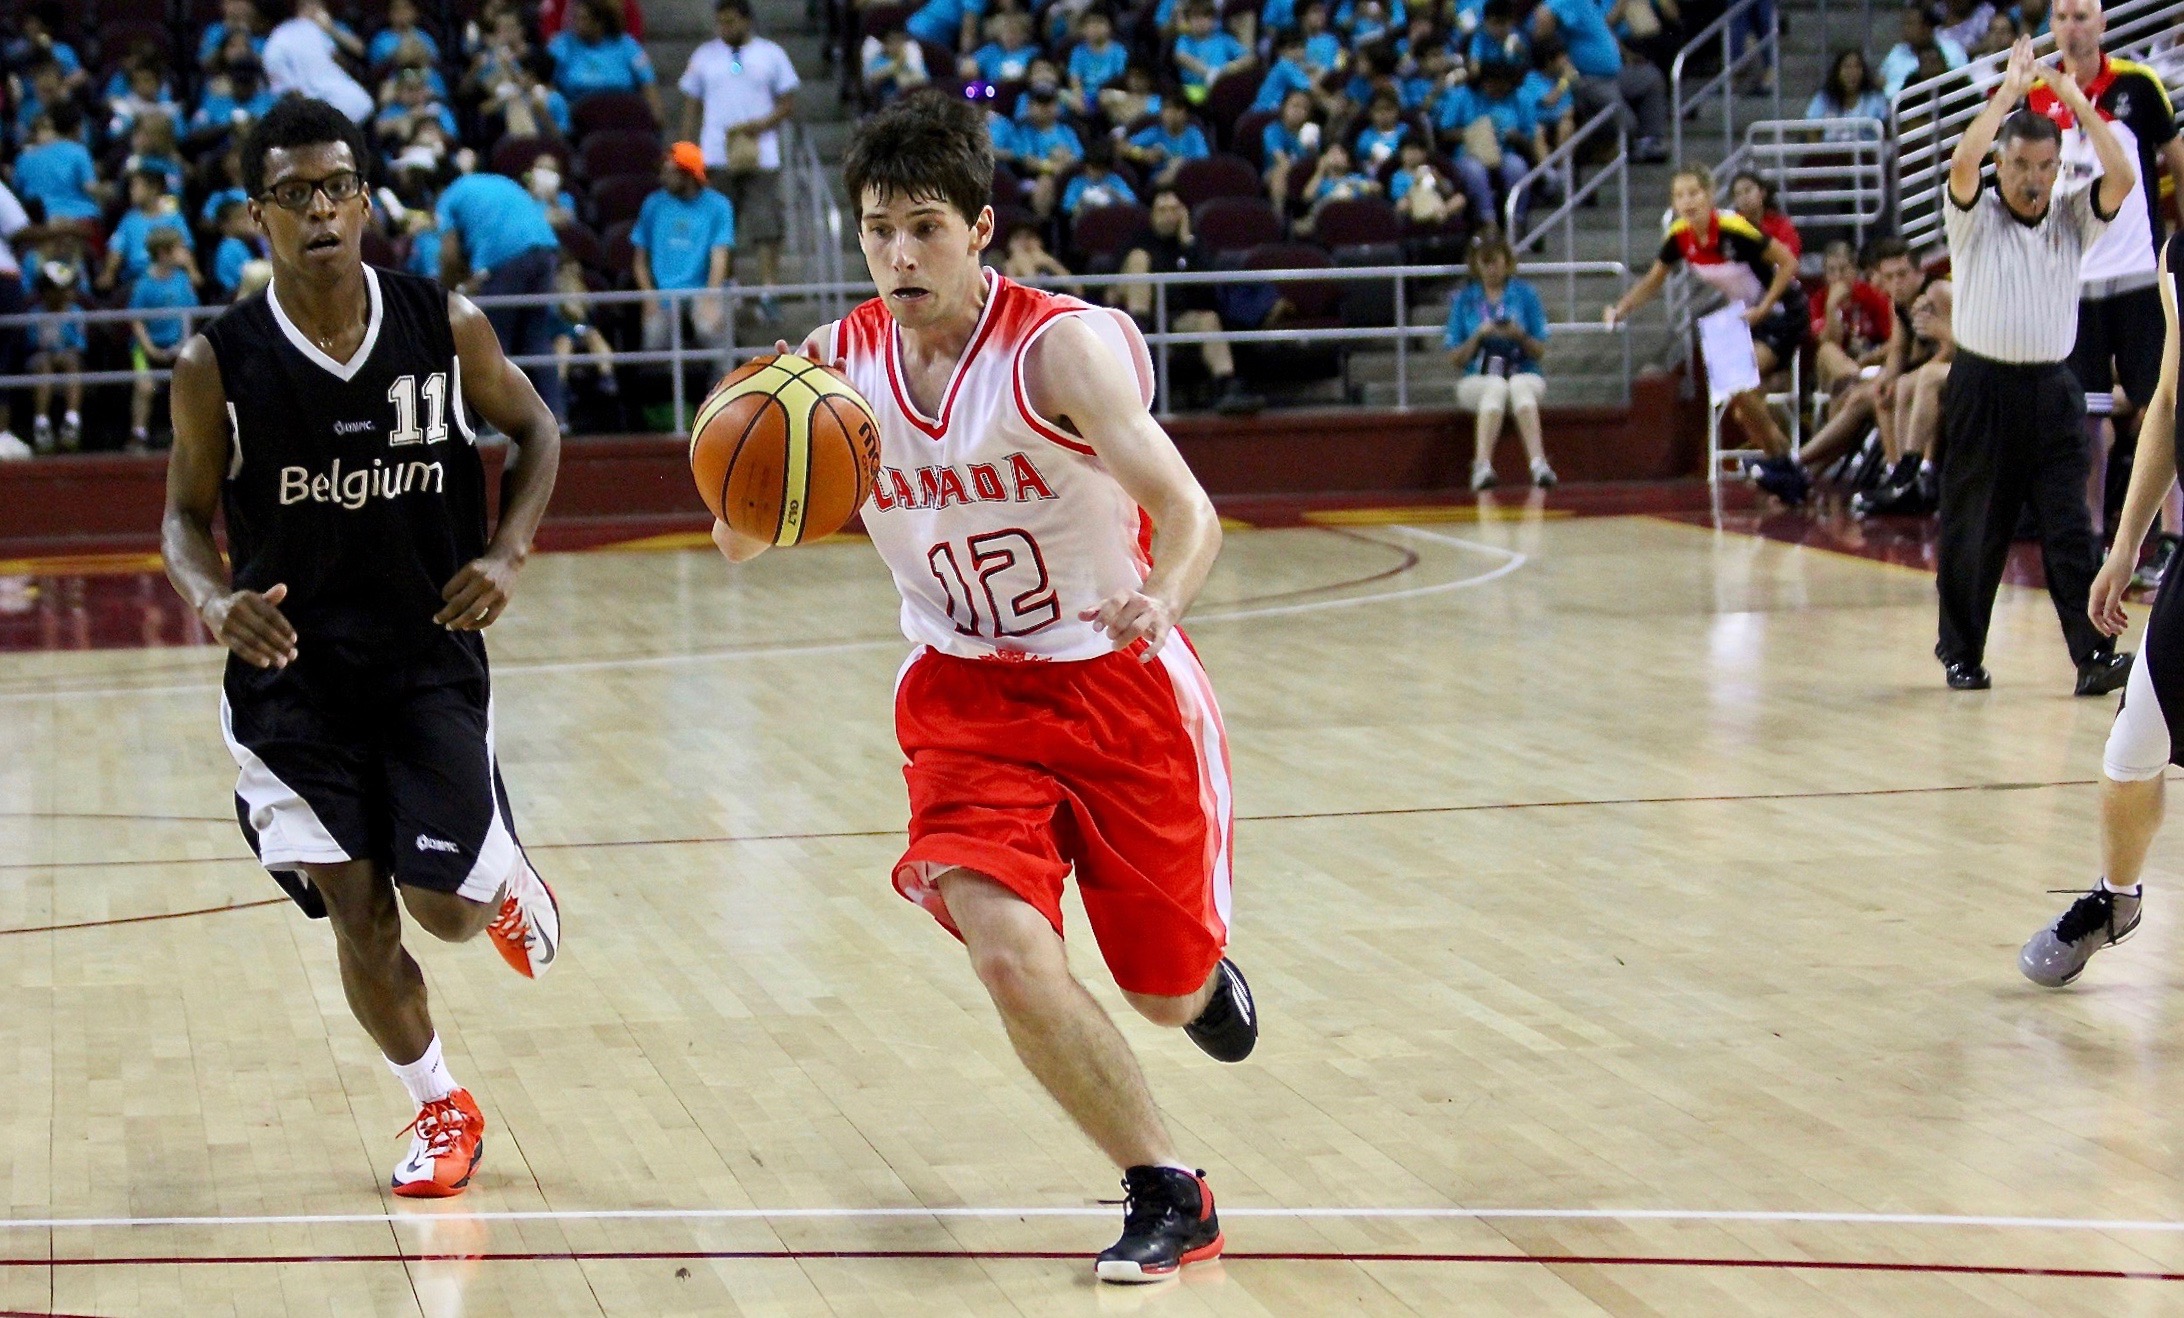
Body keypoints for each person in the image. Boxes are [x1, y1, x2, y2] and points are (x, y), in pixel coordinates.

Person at [719, 90, 1258, 1281]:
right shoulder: (833, 371)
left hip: (1114, 683)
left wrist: (1162, 595)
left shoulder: (1056, 349)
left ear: (979, 228)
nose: (899, 256)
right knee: (1006, 948)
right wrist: (752, 471)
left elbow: (1188, 510)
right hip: (962, 697)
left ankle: (1200, 976)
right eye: (877, 232)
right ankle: (1170, 1187)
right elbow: (740, 543)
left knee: (1163, 996)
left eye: (924, 228)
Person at [158, 97, 564, 1199]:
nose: (320, 209)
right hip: (291, 680)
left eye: (337, 186)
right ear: (257, 215)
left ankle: (499, 860)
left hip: (427, 653)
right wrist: (208, 599)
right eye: (293, 194)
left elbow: (536, 432)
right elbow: (183, 518)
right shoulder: (217, 361)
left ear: (365, 197)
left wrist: (510, 552)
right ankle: (441, 1104)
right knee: (358, 905)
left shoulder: (445, 323)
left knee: (449, 910)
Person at [1933, 37, 2134, 694]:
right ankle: (1962, 653)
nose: (2032, 178)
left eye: (2045, 166)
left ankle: (2094, 656)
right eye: (2020, 164)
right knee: (1975, 528)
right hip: (1981, 387)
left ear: (2056, 168)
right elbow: (1962, 160)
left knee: (2070, 527)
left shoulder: (2072, 217)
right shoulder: (1974, 214)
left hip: (2052, 389)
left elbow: (2124, 177)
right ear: (2002, 162)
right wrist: (2011, 94)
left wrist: (2074, 96)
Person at [2017, 231, 2180, 985]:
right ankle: (2116, 900)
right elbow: (2169, 408)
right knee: (2129, 753)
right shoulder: (2177, 259)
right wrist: (2122, 548)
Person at [2029, 0, 2184, 556]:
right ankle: (2094, 533)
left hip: (2141, 268)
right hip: (2075, 279)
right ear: (2052, 27)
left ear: (2103, 24)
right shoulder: (2035, 94)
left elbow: (2176, 159)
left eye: (2083, 16)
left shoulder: (2139, 86)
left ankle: (2171, 534)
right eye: (2063, 17)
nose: (2073, 28)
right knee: (2088, 418)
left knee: (2162, 403)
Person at [1605, 164, 1808, 502]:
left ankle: (1783, 462)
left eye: (1694, 193)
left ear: (1710, 195)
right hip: (1746, 317)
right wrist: (1621, 308)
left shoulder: (1734, 227)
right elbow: (1654, 280)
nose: (1688, 201)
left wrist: (1764, 306)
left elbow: (1787, 262)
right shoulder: (1679, 236)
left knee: (1742, 384)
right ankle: (1784, 464)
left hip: (1782, 311)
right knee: (1743, 408)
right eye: (1680, 195)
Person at [678, 0, 800, 322]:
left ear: (747, 20)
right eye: (721, 22)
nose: (725, 28)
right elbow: (691, 104)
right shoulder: (704, 56)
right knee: (722, 225)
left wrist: (759, 125)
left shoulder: (771, 53)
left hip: (760, 153)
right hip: (716, 153)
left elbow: (787, 103)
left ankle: (768, 289)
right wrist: (686, 145)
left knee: (766, 223)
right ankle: (726, 289)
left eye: (731, 22)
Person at [436, 166, 567, 425]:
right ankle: (555, 417)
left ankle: (500, 423)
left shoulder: (448, 196)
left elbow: (449, 256)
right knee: (537, 338)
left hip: (506, 255)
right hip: (546, 250)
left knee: (493, 340)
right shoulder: (498, 180)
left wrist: (444, 293)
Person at [1118, 189, 1263, 413]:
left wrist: (1188, 241)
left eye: (1174, 210)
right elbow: (1115, 289)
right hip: (1145, 322)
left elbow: (1207, 287)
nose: (1168, 215)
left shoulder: (1192, 245)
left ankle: (1226, 388)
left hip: (1177, 318)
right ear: (1152, 215)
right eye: (1162, 210)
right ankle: (1141, 337)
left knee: (1209, 320)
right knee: (1138, 260)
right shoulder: (1140, 241)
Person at [1447, 237, 1555, 490]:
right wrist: (1478, 336)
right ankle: (1482, 467)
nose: (1490, 269)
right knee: (1495, 386)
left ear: (1506, 263)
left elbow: (1539, 351)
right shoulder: (1465, 300)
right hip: (1478, 376)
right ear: (1476, 265)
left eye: (1495, 262)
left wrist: (1519, 336)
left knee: (1517, 385)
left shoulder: (1525, 294)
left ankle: (1539, 465)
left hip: (1524, 371)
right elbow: (1455, 358)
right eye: (1484, 263)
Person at [633, 141, 738, 353]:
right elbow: (639, 261)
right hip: (663, 294)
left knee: (711, 328)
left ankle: (723, 384)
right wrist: (648, 296)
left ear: (688, 176)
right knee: (654, 338)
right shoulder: (653, 204)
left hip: (702, 290)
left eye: (669, 172)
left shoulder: (719, 206)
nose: (662, 177)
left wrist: (711, 297)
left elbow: (720, 257)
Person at [1531, 0, 1669, 161]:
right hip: (1589, 79)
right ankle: (1600, 153)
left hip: (1614, 74)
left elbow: (1601, 30)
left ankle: (1648, 142)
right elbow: (1544, 15)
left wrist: (1624, 53)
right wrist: (1555, 55)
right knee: (1626, 123)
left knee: (1650, 78)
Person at [128, 228, 199, 451]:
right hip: (146, 347)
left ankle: (184, 435)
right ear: (163, 253)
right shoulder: (144, 284)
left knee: (188, 385)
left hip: (178, 345)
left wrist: (183, 345)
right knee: (145, 387)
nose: (185, 252)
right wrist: (150, 349)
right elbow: (136, 320)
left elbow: (190, 315)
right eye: (180, 249)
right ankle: (138, 435)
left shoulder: (182, 280)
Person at [547, 0, 661, 120]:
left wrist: (655, 118)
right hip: (577, 123)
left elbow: (648, 84)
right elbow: (546, 84)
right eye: (575, 17)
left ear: (600, 22)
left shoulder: (628, 46)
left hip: (623, 121)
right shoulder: (560, 45)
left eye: (583, 19)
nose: (576, 24)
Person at [265, 0, 376, 122]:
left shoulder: (327, 29)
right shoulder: (283, 34)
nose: (313, 9)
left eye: (317, 4)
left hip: (351, 103)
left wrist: (331, 29)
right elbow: (283, 84)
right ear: (299, 8)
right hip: (315, 109)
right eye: (308, 4)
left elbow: (358, 51)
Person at [1880, 2, 1968, 97]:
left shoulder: (1951, 50)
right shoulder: (1897, 51)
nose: (1905, 29)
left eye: (1910, 24)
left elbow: (1961, 83)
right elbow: (1881, 80)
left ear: (1927, 28)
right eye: (1904, 24)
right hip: (1893, 107)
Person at [1124, 99, 1210, 187]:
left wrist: (1181, 163)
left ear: (1185, 113)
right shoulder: (1155, 132)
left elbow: (1204, 161)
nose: (1172, 114)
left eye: (1177, 109)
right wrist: (1143, 154)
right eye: (1167, 109)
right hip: (1159, 184)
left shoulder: (1194, 133)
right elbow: (1122, 147)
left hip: (1189, 180)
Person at [1806, 48, 1889, 134]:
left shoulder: (1876, 99)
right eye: (1847, 67)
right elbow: (1813, 132)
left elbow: (1886, 132)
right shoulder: (1823, 99)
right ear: (1837, 71)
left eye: (1857, 67)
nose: (1852, 73)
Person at [1728, 170, 1801, 259]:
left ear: (1762, 192)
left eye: (1748, 190)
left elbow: (1790, 260)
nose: (1743, 197)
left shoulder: (1782, 225)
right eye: (1738, 194)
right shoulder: (1730, 228)